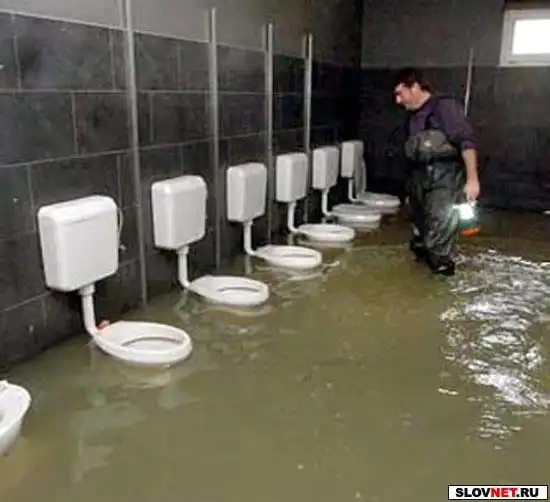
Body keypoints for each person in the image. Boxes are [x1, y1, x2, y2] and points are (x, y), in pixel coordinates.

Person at [393, 68, 480, 276]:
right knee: (421, 235)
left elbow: (467, 143)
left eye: (400, 93)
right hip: (419, 178)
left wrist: (472, 180)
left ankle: (440, 281)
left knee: (439, 235)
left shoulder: (445, 107)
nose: (397, 100)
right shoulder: (412, 115)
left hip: (444, 179)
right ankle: (419, 283)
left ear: (415, 87)